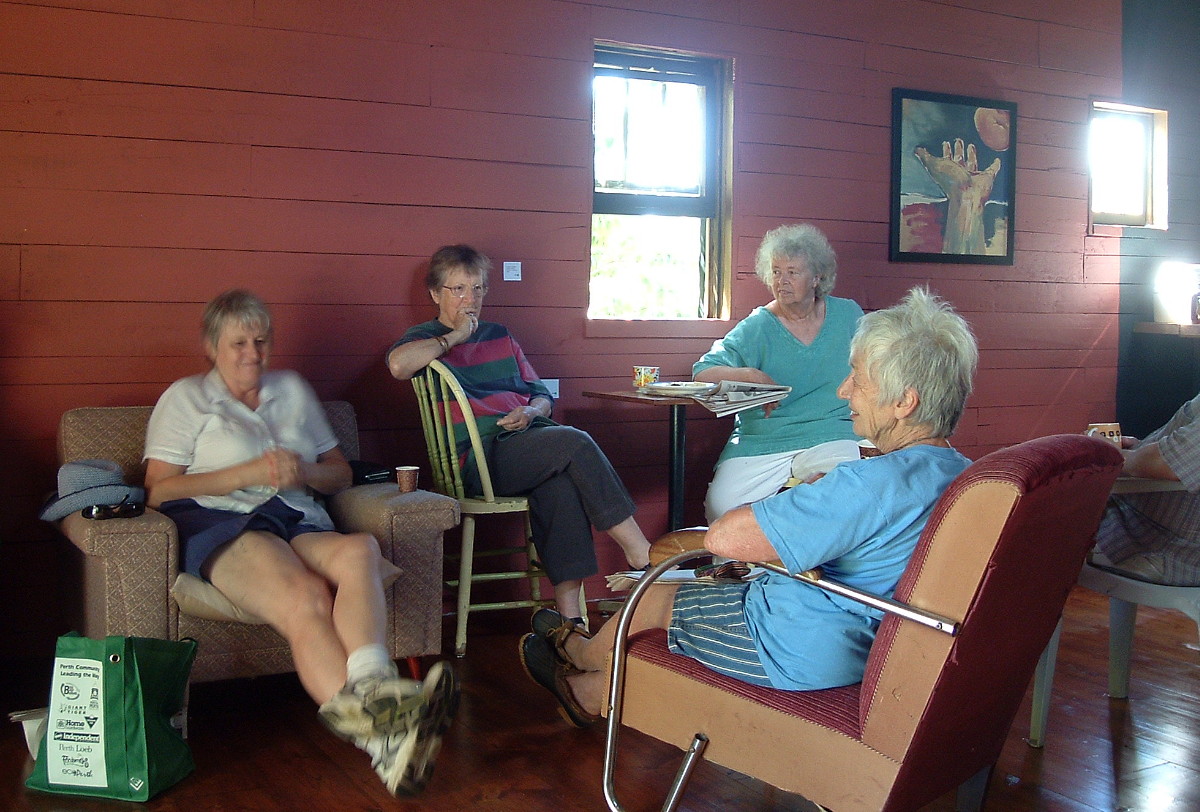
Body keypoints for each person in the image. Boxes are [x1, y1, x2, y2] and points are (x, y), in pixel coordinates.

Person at [519, 287, 978, 726]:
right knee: (693, 604)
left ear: (904, 402)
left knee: (657, 596)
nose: (844, 391)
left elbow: (723, 538)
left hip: (801, 646)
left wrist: (801, 496)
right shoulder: (961, 473)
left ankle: (577, 659)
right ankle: (586, 688)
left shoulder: (867, 482)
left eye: (858, 378)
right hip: (863, 634)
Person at [143, 290, 457, 797]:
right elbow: (158, 490)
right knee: (306, 596)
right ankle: (385, 739)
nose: (252, 353)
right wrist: (242, 473)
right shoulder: (187, 398)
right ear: (212, 347)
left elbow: (337, 474)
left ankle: (375, 692)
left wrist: (305, 469)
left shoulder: (291, 390)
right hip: (222, 521)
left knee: (360, 552)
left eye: (261, 341)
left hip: (297, 513)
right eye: (238, 342)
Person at [386, 244, 653, 626]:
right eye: (458, 289)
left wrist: (531, 411)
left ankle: (571, 624)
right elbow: (398, 366)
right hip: (479, 459)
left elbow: (541, 394)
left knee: (560, 486)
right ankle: (641, 555)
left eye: (478, 289)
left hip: (529, 442)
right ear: (435, 294)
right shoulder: (424, 338)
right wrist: (455, 338)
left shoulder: (501, 336)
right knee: (575, 441)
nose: (470, 299)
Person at [694, 223, 864, 522]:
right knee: (721, 508)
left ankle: (811, 566)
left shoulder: (848, 315)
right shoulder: (757, 326)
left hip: (832, 431)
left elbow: (879, 361)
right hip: (764, 438)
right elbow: (703, 373)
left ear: (817, 277)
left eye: (792, 272)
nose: (781, 281)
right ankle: (740, 569)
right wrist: (754, 376)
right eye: (775, 271)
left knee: (848, 495)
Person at [1090, 395, 1200, 585]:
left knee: (1040, 530)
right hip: (1149, 528)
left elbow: (1168, 463)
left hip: (1161, 546)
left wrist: (1113, 454)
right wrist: (1139, 450)